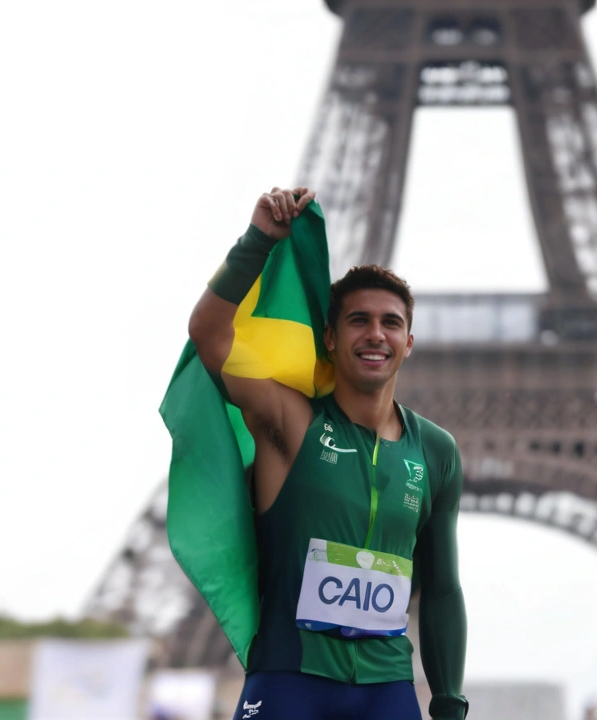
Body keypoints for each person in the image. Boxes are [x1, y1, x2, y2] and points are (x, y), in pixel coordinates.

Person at [188, 187, 468, 720]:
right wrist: (257, 242)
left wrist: (449, 704)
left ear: (409, 342)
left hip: (387, 688)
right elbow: (209, 334)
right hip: (290, 682)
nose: (375, 334)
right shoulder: (292, 421)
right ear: (331, 339)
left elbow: (442, 588)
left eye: (391, 323)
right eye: (358, 320)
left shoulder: (435, 451)